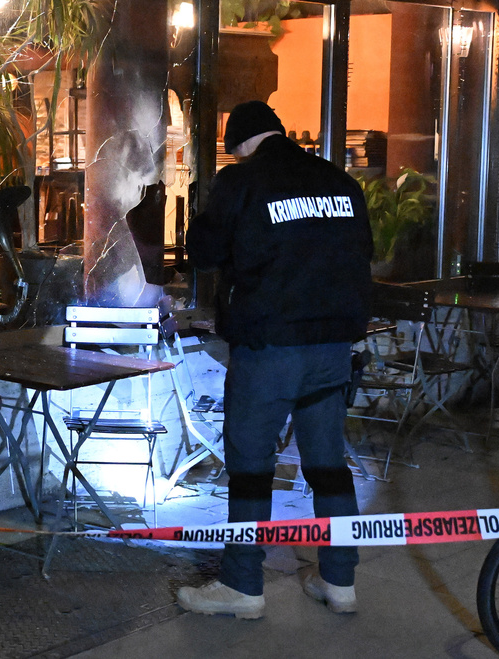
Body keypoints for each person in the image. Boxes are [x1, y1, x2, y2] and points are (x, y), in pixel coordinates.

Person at [177, 101, 373, 619]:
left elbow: (202, 251)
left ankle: (243, 586)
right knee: (328, 465)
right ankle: (340, 579)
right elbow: (361, 255)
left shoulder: (242, 183)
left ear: (239, 143)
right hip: (333, 348)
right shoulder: (340, 182)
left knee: (250, 466)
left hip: (270, 350)